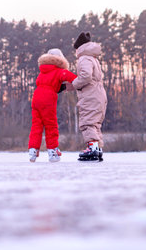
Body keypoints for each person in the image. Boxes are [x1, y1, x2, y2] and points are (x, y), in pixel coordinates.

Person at [28, 48, 77, 162]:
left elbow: (48, 83)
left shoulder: (42, 71)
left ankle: (33, 151)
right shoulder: (59, 71)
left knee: (36, 125)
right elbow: (74, 78)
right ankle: (53, 151)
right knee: (51, 125)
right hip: (48, 98)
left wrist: (60, 87)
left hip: (36, 98)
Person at [69, 32, 107, 162]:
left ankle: (92, 148)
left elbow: (86, 76)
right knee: (95, 123)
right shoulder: (93, 58)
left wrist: (73, 84)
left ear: (79, 47)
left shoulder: (84, 58)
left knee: (88, 121)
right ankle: (97, 147)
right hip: (99, 94)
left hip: (90, 95)